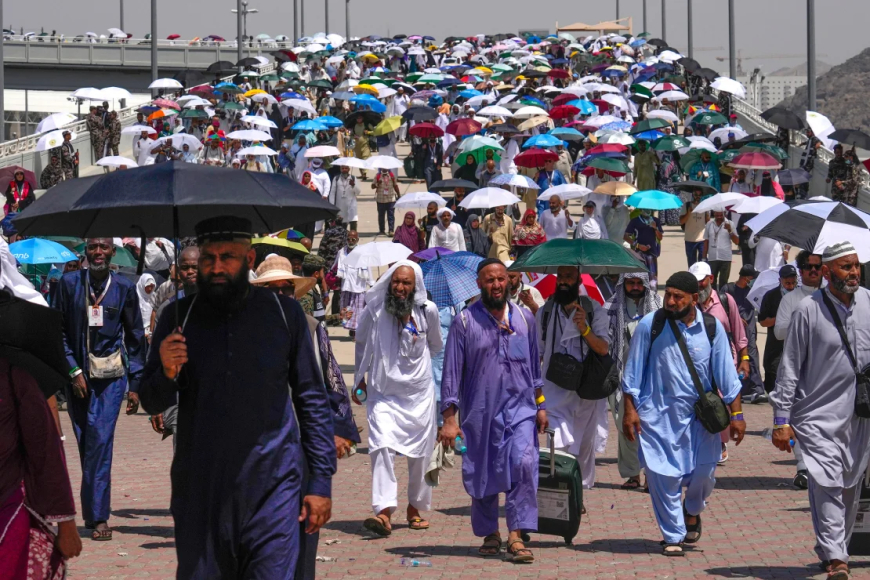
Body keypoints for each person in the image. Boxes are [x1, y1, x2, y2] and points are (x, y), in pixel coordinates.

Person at [140, 216, 335, 579]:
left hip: (274, 487)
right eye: (208, 259)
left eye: (227, 257)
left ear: (248, 260)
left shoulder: (283, 313)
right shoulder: (178, 318)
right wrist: (166, 369)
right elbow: (151, 400)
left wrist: (320, 482)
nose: (216, 267)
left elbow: (311, 398)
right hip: (201, 491)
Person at [622, 271, 745, 557]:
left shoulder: (712, 329)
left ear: (694, 298)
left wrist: (737, 415)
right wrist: (630, 411)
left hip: (700, 421)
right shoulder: (649, 326)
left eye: (679, 297)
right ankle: (672, 535)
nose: (671, 301)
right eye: (669, 295)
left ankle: (692, 509)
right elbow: (632, 373)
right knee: (663, 478)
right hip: (657, 418)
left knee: (704, 473)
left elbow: (727, 377)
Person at [771, 242, 870, 578]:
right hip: (816, 416)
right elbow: (790, 366)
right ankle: (837, 558)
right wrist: (782, 419)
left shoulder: (869, 303)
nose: (854, 272)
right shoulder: (808, 310)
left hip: (858, 415)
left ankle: (831, 548)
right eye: (846, 267)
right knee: (826, 481)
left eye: (856, 266)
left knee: (849, 485)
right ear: (826, 272)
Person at [440, 259, 548, 563]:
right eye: (490, 280)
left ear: (509, 282)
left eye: (502, 279)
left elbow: (534, 368)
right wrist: (450, 419)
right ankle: (490, 533)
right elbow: (451, 373)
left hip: (522, 410)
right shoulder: (464, 322)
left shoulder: (525, 318)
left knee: (524, 464)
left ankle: (516, 534)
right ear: (479, 284)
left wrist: (540, 406)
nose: (497, 284)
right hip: (481, 412)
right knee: (484, 471)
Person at [51, 238, 146, 542]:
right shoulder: (68, 284)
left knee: (100, 440)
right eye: (93, 247)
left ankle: (100, 516)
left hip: (111, 379)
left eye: (104, 247)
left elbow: (135, 338)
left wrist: (136, 384)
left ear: (112, 251)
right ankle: (92, 512)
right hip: (77, 379)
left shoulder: (123, 287)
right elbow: (57, 331)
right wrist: (72, 370)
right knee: (87, 444)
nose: (99, 253)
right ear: (86, 251)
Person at [353, 261, 442, 536]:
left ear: (415, 286)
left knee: (421, 455)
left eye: (407, 283)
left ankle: (415, 507)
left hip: (419, 395)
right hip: (383, 394)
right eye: (397, 282)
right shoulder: (375, 311)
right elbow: (361, 344)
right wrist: (359, 380)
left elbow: (436, 346)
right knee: (380, 448)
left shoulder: (428, 311)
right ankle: (383, 511)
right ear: (389, 283)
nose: (401, 288)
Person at [537, 266, 611, 500]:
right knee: (556, 444)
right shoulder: (546, 311)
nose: (563, 282)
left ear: (578, 280)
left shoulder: (593, 309)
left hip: (585, 391)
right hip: (555, 389)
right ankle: (559, 494)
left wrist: (584, 328)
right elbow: (537, 351)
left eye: (568, 277)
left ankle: (577, 496)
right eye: (560, 277)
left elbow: (603, 348)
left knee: (583, 448)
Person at [772, 252, 824, 489]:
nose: (813, 271)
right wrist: (801, 318)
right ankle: (803, 468)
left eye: (817, 267)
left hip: (826, 368)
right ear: (800, 271)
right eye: (808, 267)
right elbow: (779, 333)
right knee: (800, 418)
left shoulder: (830, 297)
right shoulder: (791, 299)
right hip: (799, 368)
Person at [690, 261, 751, 463]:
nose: (699, 287)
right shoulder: (689, 304)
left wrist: (744, 358)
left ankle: (721, 441)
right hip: (699, 362)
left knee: (724, 398)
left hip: (726, 359)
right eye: (695, 283)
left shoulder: (725, 300)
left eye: (702, 282)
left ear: (711, 279)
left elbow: (738, 331)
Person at [606, 273, 661, 491]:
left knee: (650, 426)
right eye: (631, 283)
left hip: (651, 375)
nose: (636, 287)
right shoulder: (611, 306)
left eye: (639, 283)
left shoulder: (657, 304)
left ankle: (652, 475)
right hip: (620, 373)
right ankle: (632, 475)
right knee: (624, 424)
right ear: (623, 284)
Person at [720, 265, 767, 404]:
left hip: (749, 331)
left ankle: (757, 389)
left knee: (751, 355)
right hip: (732, 331)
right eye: (753, 278)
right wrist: (735, 317)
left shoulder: (752, 291)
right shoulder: (728, 289)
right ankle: (740, 388)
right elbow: (720, 307)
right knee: (735, 358)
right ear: (746, 277)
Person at [758, 265, 798, 393]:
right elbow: (763, 322)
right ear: (780, 280)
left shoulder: (802, 295)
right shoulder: (771, 296)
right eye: (787, 283)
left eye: (793, 283)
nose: (790, 286)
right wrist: (781, 318)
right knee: (772, 370)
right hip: (775, 344)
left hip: (796, 344)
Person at [334, 230, 370, 338]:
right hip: (346, 286)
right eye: (349, 239)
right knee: (347, 309)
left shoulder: (362, 252)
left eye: (353, 239)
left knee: (358, 311)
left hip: (359, 287)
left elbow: (368, 269)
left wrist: (371, 283)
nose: (351, 241)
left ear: (357, 240)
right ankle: (351, 328)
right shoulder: (342, 252)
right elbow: (335, 266)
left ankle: (356, 332)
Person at [625, 210, 664, 290]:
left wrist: (655, 228)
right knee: (638, 277)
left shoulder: (655, 220)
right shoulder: (635, 221)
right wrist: (638, 245)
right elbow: (625, 236)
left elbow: (660, 237)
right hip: (638, 254)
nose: (647, 210)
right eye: (645, 208)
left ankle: (653, 296)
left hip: (652, 254)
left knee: (653, 278)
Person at [702, 211, 739, 290]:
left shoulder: (730, 224)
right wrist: (704, 257)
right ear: (714, 214)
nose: (719, 217)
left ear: (724, 214)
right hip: (712, 257)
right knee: (711, 281)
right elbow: (706, 241)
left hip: (725, 258)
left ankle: (722, 299)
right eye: (717, 215)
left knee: (723, 282)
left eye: (720, 215)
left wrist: (730, 230)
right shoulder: (709, 224)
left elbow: (737, 241)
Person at [679, 189, 708, 267]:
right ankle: (693, 278)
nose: (697, 197)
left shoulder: (704, 206)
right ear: (692, 195)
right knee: (692, 264)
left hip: (702, 239)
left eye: (699, 195)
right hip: (690, 239)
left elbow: (707, 222)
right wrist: (688, 213)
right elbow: (681, 221)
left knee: (703, 263)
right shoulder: (687, 205)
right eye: (696, 195)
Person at [329, 165, 360, 230]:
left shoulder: (353, 178)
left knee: (353, 223)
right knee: (341, 226)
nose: (344, 170)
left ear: (349, 169)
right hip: (340, 206)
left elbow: (358, 192)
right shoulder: (336, 178)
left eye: (346, 168)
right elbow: (332, 193)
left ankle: (353, 238)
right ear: (340, 169)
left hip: (351, 205)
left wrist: (353, 185)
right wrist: (331, 205)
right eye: (342, 168)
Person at [372, 168, 401, 236]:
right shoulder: (378, 175)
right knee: (381, 216)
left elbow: (395, 185)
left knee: (391, 215)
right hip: (380, 200)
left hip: (391, 199)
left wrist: (399, 195)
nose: (384, 168)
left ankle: (391, 230)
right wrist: (377, 184)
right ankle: (382, 230)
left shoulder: (392, 175)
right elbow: (372, 186)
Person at [136, 273, 157, 340]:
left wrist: (150, 332)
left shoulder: (154, 296)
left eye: (152, 286)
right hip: (136, 332)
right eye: (148, 286)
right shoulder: (135, 296)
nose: (150, 289)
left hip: (149, 333)